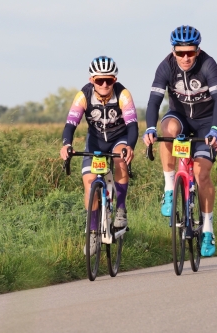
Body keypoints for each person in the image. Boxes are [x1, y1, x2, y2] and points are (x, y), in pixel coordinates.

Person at [142, 25, 217, 257]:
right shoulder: (165, 66)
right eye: (181, 53)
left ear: (198, 51)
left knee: (202, 174)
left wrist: (215, 129)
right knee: (167, 129)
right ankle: (170, 187)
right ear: (174, 51)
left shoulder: (208, 64)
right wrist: (149, 128)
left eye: (190, 52)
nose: (186, 57)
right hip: (179, 117)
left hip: (204, 123)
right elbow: (153, 102)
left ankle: (208, 228)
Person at [60, 56, 138, 256]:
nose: (104, 84)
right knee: (89, 182)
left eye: (109, 80)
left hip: (118, 138)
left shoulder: (123, 94)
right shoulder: (83, 96)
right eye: (99, 80)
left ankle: (120, 208)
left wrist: (129, 146)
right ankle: (93, 232)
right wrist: (66, 144)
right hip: (95, 142)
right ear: (91, 80)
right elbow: (71, 124)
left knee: (120, 158)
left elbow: (132, 126)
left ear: (115, 80)